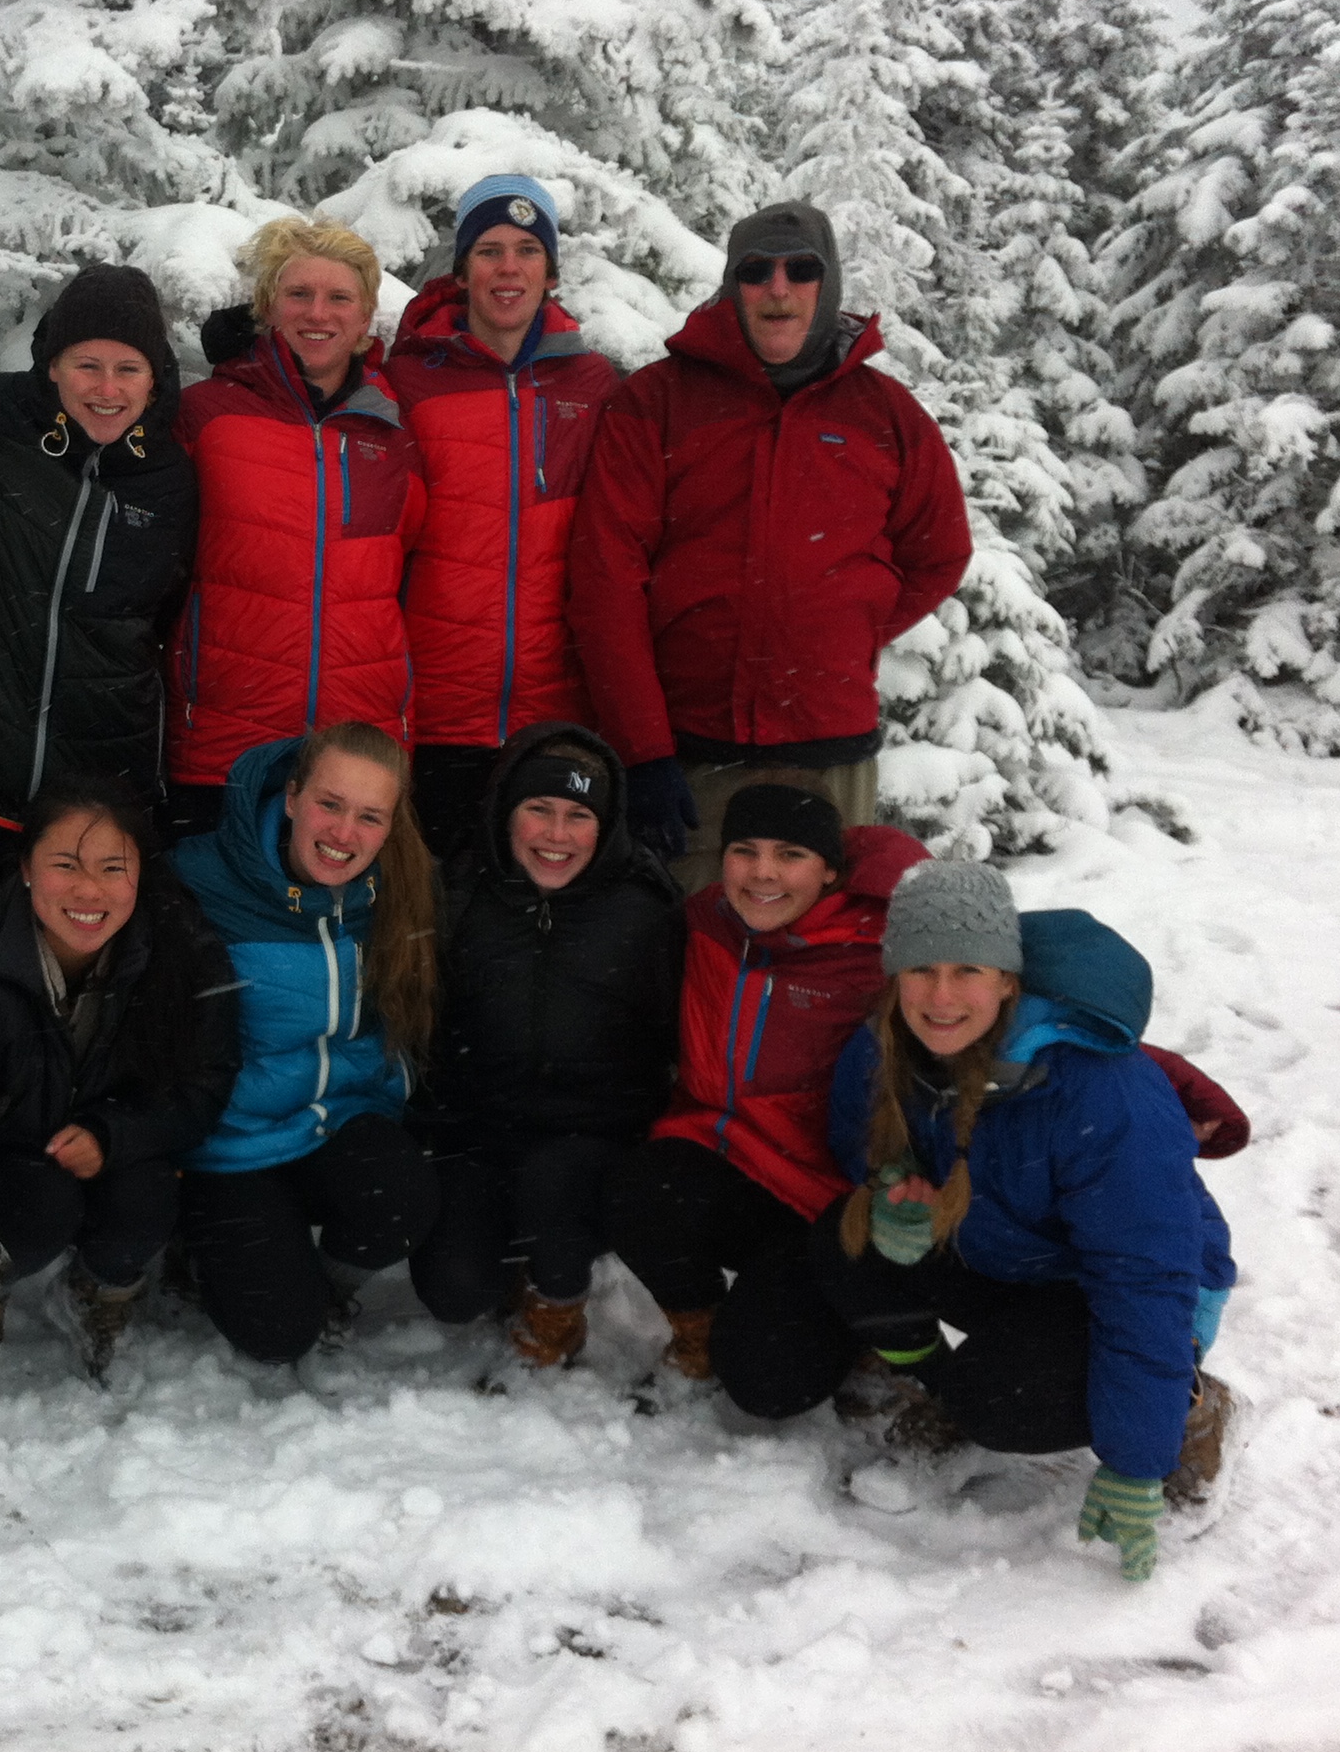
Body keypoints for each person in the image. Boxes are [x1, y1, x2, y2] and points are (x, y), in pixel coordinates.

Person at [711, 861, 1244, 1583]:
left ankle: (1192, 1406)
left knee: (1009, 1403)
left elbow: (1143, 1279)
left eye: (968, 970)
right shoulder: (887, 1044)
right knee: (847, 1240)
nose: (940, 995)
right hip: (995, 1247)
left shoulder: (1100, 1093)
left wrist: (1135, 1460)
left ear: (1007, 981)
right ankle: (947, 1394)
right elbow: (858, 1141)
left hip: (1111, 1286)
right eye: (921, 969)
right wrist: (895, 1190)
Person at [567, 201, 973, 887]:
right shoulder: (658, 402)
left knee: (819, 965)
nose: (778, 288)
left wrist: (848, 625)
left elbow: (939, 551)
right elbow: (606, 579)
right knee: (689, 964)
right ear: (733, 286)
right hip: (691, 757)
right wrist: (644, 752)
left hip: (830, 758)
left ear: (829, 283)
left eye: (800, 269)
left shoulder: (884, 413)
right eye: (756, 271)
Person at [0, 780, 241, 1400]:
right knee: (33, 1205)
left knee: (149, 1195)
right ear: (25, 868)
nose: (88, 889)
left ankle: (96, 1293)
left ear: (139, 877)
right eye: (65, 865)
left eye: (112, 868)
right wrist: (11, 1158)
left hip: (112, 1143)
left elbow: (203, 1084)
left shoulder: (184, 949)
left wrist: (111, 1134)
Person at [603, 781, 927, 1385]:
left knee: (769, 1381)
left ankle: (846, 1329)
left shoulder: (882, 954)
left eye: (790, 855)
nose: (762, 873)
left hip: (826, 1196)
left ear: (830, 872)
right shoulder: (703, 925)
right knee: (636, 1192)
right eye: (744, 851)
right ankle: (700, 1331)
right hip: (720, 1158)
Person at [0, 265, 198, 909]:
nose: (106, 388)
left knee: (80, 986)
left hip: (97, 790)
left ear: (156, 381)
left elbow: (165, 619)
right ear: (50, 365)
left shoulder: (169, 480)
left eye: (128, 370)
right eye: (86, 365)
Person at [408, 724, 680, 1369]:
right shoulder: (460, 891)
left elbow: (674, 1036)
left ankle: (558, 1287)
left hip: (590, 1140)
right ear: (507, 813)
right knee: (453, 1291)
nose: (557, 835)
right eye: (539, 810)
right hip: (477, 1134)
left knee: (555, 1204)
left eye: (578, 816)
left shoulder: (644, 907)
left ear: (604, 824)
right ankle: (507, 1251)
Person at [171, 723, 441, 1363]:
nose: (345, 835)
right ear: (291, 796)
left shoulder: (399, 889)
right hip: (233, 1142)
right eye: (329, 804)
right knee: (275, 1336)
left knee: (403, 1199)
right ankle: (214, 1250)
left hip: (340, 1119)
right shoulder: (200, 881)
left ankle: (323, 1284)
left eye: (370, 817)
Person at [162, 220, 425, 844]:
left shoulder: (392, 435)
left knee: (338, 931)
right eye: (299, 294)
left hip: (354, 751)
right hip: (225, 737)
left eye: (340, 299)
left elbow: (407, 563)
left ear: (365, 319)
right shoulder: (209, 414)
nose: (319, 313)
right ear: (267, 307)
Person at [384, 177, 619, 862]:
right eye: (488, 250)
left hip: (558, 720)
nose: (508, 268)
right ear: (461, 272)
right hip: (434, 716)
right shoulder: (409, 380)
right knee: (434, 922)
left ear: (551, 272)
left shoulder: (594, 386)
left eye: (526, 250)